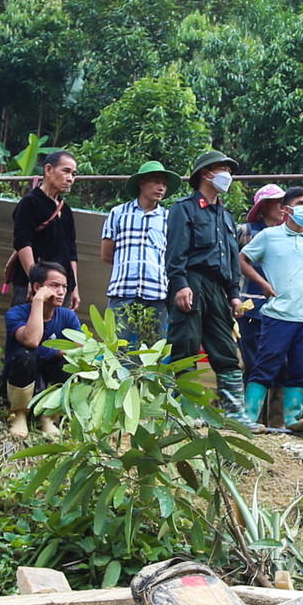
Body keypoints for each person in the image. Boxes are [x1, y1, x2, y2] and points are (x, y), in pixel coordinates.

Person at [238, 187, 303, 433]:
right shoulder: (269, 237)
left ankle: (293, 419)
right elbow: (242, 259)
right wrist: (263, 284)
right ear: (286, 209)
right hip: (277, 315)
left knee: (300, 368)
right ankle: (249, 418)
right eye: (301, 203)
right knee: (264, 366)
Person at [166, 150, 249, 422]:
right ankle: (183, 413)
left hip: (218, 289)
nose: (228, 175)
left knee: (226, 348)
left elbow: (233, 260)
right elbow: (176, 251)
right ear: (206, 173)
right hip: (191, 280)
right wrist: (180, 284)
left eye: (229, 169)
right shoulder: (184, 208)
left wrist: (234, 295)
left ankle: (236, 414)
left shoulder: (226, 215)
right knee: (185, 346)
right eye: (223, 169)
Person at [101, 160, 178, 349]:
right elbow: (107, 254)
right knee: (118, 350)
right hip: (122, 292)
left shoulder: (169, 218)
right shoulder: (118, 213)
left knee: (152, 352)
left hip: (156, 295)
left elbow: (173, 256)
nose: (161, 187)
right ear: (141, 183)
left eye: (164, 184)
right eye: (156, 181)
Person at [4, 262, 79, 438]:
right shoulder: (16, 314)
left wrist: (51, 352)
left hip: (49, 378)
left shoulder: (68, 316)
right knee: (27, 356)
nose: (61, 292)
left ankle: (48, 414)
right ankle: (20, 414)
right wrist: (38, 300)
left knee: (70, 362)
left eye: (64, 286)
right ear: (37, 287)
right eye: (55, 285)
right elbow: (31, 340)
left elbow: (80, 348)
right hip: (21, 379)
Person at [11, 150, 80, 310]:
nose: (70, 179)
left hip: (62, 289)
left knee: (59, 333)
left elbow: (71, 252)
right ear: (48, 170)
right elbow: (23, 242)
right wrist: (34, 280)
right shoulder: (30, 202)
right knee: (28, 331)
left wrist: (73, 287)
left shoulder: (66, 210)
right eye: (66, 171)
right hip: (33, 285)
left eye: (73, 174)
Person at [237, 184, 286, 377]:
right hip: (247, 305)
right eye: (278, 203)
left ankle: (274, 407)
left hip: (279, 308)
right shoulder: (245, 231)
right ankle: (250, 406)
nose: (283, 208)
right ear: (264, 206)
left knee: (280, 365)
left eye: (285, 203)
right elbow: (230, 265)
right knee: (252, 362)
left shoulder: (287, 235)